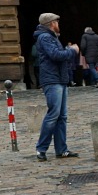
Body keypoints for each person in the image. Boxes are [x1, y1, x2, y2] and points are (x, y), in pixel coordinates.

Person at [34, 13, 79, 162]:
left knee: (61, 116)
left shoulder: (52, 37)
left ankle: (61, 149)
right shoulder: (45, 37)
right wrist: (72, 50)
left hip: (60, 79)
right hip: (52, 80)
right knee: (53, 115)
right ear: (52, 23)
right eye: (57, 22)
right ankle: (41, 149)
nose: (58, 24)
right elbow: (55, 55)